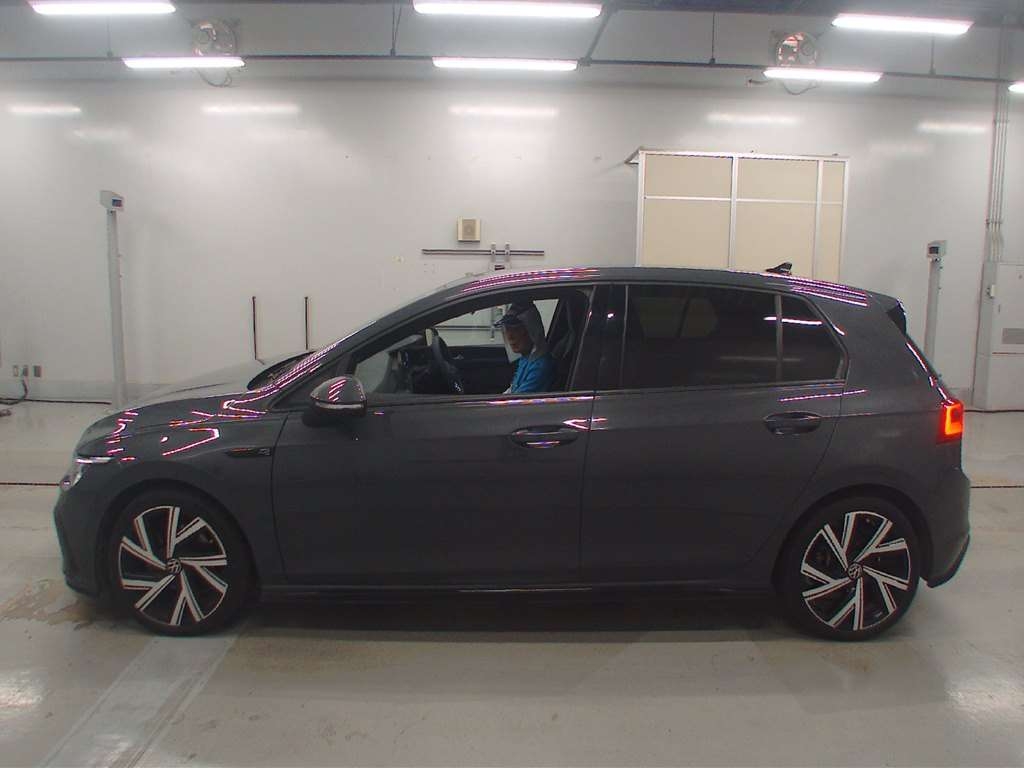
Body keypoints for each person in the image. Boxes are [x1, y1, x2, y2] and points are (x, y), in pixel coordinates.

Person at [495, 301, 556, 394]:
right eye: (507, 329)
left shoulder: (541, 365)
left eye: (516, 329)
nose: (510, 336)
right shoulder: (526, 357)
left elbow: (517, 399)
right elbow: (513, 389)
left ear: (532, 330)